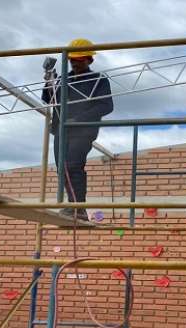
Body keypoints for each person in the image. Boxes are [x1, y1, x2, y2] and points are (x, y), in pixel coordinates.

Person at [42, 38, 114, 221]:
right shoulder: (63, 79)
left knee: (73, 165)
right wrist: (49, 82)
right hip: (61, 130)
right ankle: (73, 204)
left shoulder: (98, 80)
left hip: (82, 131)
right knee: (62, 169)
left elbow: (106, 106)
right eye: (72, 60)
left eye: (79, 60)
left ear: (90, 60)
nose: (75, 63)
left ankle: (78, 207)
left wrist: (78, 119)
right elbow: (49, 100)